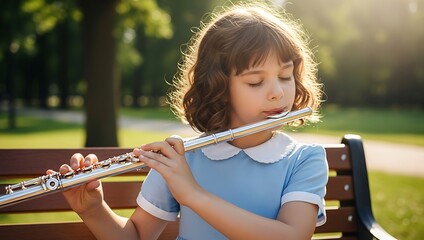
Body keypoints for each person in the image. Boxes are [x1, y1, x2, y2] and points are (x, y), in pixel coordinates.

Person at [50, 2, 328, 239]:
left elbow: (292, 235)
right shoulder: (182, 159)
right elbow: (135, 236)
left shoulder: (304, 159)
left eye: (284, 76)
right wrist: (93, 209)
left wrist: (193, 195)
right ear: (218, 87)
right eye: (256, 82)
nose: (278, 93)